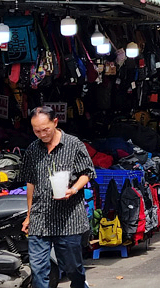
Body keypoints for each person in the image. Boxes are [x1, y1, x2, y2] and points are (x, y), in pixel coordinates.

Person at [22, 106, 95, 288]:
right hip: (40, 216)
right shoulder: (32, 149)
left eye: (45, 129)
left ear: (55, 122)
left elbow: (87, 172)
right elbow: (31, 183)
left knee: (72, 267)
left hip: (68, 217)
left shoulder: (74, 144)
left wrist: (74, 189)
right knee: (38, 269)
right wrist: (29, 215)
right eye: (36, 130)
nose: (41, 134)